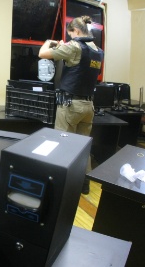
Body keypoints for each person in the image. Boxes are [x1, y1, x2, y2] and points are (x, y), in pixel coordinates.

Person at [38, 15, 104, 195]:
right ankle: (84, 185)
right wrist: (63, 47)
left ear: (75, 31)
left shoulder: (74, 46)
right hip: (88, 107)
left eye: (71, 34)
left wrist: (48, 42)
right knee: (83, 147)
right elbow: (79, 64)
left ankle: (60, 187)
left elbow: (42, 54)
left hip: (70, 105)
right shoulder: (97, 50)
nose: (71, 38)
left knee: (62, 145)